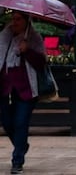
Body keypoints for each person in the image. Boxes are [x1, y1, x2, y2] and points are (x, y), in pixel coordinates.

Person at [0, 12, 46, 174]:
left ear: (27, 21)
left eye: (18, 19)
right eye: (13, 18)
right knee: (6, 122)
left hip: (26, 89)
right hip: (5, 89)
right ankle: (22, 145)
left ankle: (17, 160)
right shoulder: (4, 37)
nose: (15, 22)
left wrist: (27, 51)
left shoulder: (34, 38)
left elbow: (41, 64)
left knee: (20, 123)